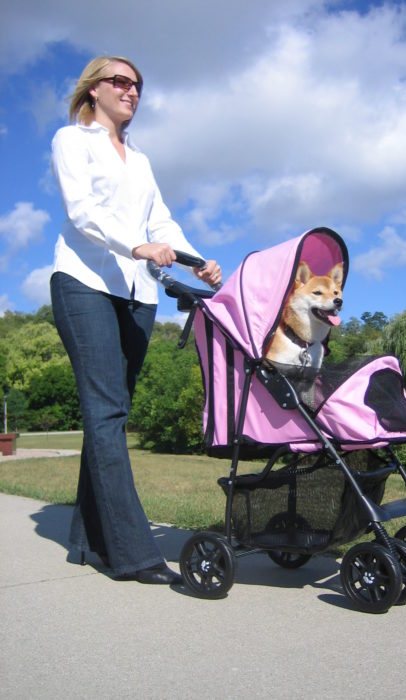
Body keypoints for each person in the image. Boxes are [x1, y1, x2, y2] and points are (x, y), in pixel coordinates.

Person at [50, 55, 221, 585]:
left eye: (137, 85)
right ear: (94, 89)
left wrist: (196, 260)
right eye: (120, 81)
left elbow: (161, 221)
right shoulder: (70, 140)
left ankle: (87, 539)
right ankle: (133, 553)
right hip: (84, 281)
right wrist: (138, 245)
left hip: (137, 292)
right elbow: (82, 211)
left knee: (113, 413)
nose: (131, 91)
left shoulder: (141, 160)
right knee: (104, 411)